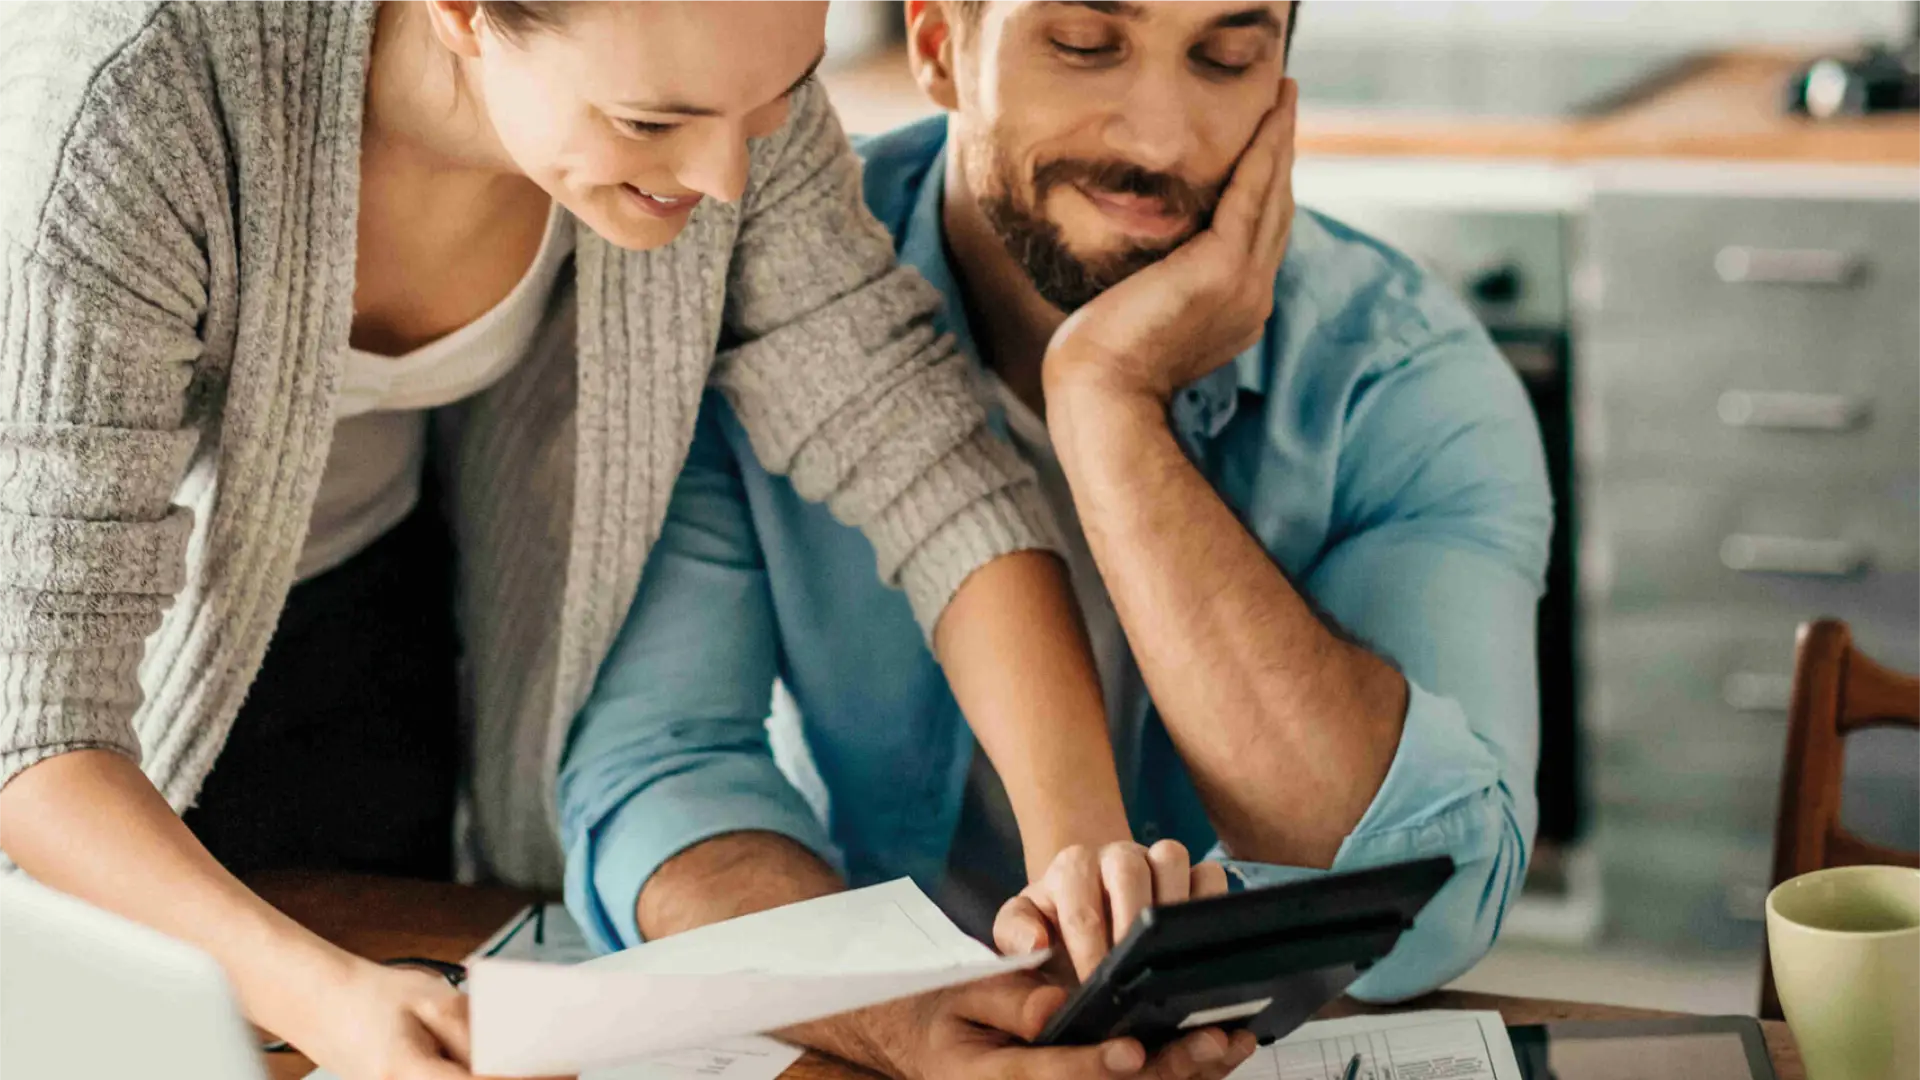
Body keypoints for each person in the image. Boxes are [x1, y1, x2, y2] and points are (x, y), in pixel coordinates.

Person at [0, 1, 1149, 1077]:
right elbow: (37, 730)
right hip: (110, 748)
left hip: (386, 618)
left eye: (774, 103)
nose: (725, 175)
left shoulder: (717, 69)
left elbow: (922, 459)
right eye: (653, 122)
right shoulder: (129, 103)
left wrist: (1082, 864)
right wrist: (325, 999)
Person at [560, 1, 1554, 1078]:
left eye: (1225, 59)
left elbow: (1436, 898)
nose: (1159, 139)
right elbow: (659, 777)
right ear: (941, 47)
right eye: (1084, 45)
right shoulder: (756, 291)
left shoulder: (1397, 375)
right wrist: (887, 1009)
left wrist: (1107, 404)